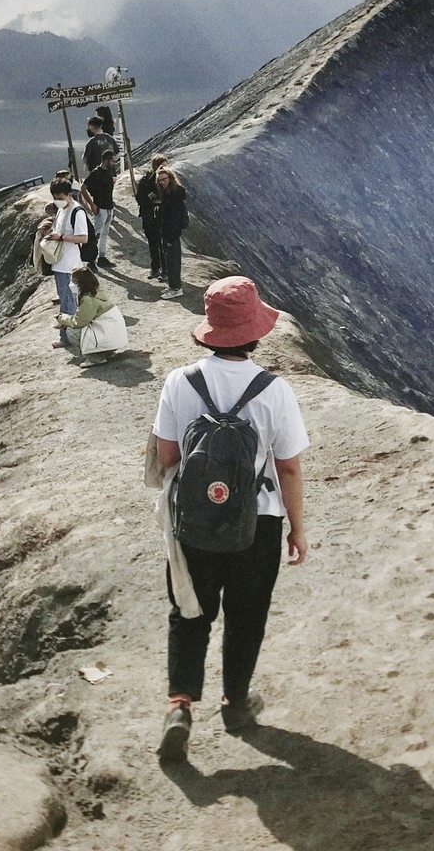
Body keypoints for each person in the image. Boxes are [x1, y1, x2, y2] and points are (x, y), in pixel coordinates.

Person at [151, 276, 309, 761]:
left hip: (195, 519)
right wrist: (296, 528)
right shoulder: (274, 390)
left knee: (190, 609)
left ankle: (180, 706)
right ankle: (235, 704)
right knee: (247, 615)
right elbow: (288, 466)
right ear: (255, 332)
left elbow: (165, 454)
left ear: (210, 330)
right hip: (256, 522)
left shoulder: (180, 381)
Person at [55, 267, 128, 365]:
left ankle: (95, 357)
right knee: (76, 327)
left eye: (74, 281)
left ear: (81, 283)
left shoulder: (88, 299)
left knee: (72, 331)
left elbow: (80, 321)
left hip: (109, 336)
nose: (71, 285)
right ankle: (106, 352)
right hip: (115, 336)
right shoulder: (96, 292)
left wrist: (62, 319)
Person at [47, 178, 89, 350]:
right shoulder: (61, 210)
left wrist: (62, 238)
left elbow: (83, 238)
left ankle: (68, 338)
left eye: (60, 196)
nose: (57, 200)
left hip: (69, 265)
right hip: (59, 264)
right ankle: (70, 335)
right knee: (66, 301)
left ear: (68, 194)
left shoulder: (76, 211)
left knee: (68, 303)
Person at [80, 150, 117, 269]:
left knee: (104, 233)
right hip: (100, 208)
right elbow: (83, 188)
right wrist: (91, 204)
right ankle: (91, 260)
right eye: (112, 160)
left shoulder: (108, 172)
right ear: (106, 160)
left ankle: (101, 257)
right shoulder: (96, 173)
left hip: (109, 207)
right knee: (95, 234)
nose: (113, 163)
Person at [155, 164, 188, 299]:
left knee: (173, 261)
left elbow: (174, 217)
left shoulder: (174, 196)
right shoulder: (169, 193)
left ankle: (175, 288)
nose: (162, 182)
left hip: (171, 234)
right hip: (168, 233)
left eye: (164, 179)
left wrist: (169, 234)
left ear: (170, 178)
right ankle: (173, 286)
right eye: (160, 180)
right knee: (170, 260)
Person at [135, 154, 165, 279]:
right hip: (149, 216)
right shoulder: (146, 181)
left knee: (164, 244)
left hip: (163, 217)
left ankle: (166, 270)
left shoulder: (167, 181)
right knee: (153, 243)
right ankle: (155, 268)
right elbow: (140, 198)